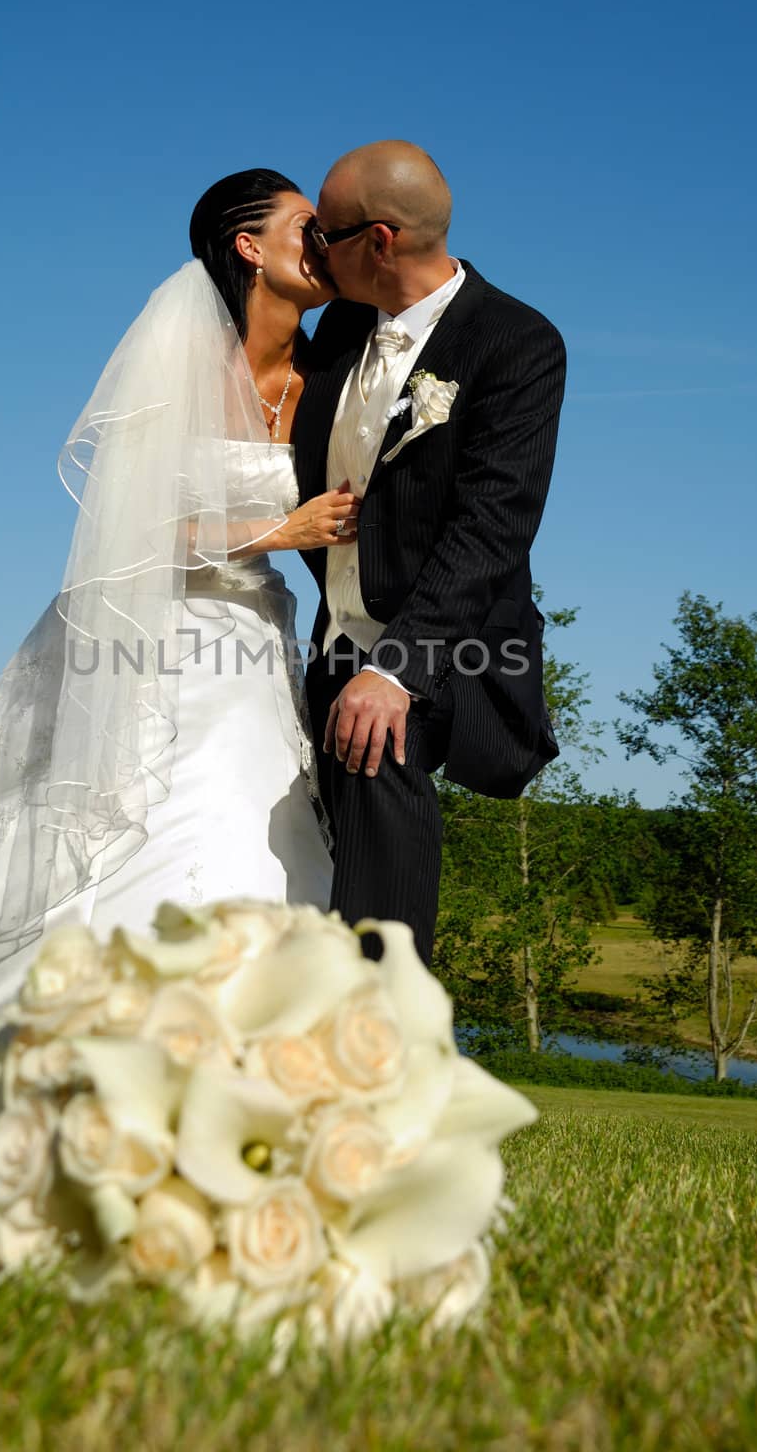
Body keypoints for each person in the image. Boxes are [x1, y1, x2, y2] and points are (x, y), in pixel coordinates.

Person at [0, 169, 355, 1062]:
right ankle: (98, 1024)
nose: (328, 245)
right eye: (308, 228)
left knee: (258, 817)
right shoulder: (180, 361)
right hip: (144, 632)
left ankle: (248, 1035)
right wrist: (276, 528)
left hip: (255, 639)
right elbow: (125, 531)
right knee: (146, 808)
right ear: (249, 246)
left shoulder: (332, 377)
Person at [292, 141, 566, 970]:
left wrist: (396, 672)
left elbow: (492, 525)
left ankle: (386, 1037)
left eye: (322, 233)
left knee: (376, 747)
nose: (310, 250)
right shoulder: (339, 329)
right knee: (299, 822)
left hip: (451, 644)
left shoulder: (514, 342)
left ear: (377, 242)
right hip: (333, 634)